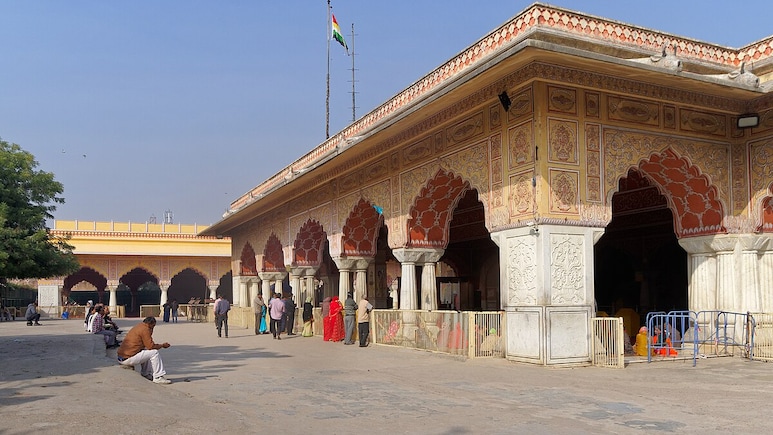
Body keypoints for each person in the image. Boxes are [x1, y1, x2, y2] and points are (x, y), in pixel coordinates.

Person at [117, 316, 172, 384]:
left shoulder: (140, 326)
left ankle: (146, 373)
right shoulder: (145, 329)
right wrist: (162, 345)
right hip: (127, 358)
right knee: (154, 353)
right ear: (150, 324)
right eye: (153, 326)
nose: (153, 328)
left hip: (122, 357)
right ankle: (158, 377)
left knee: (147, 351)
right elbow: (151, 346)